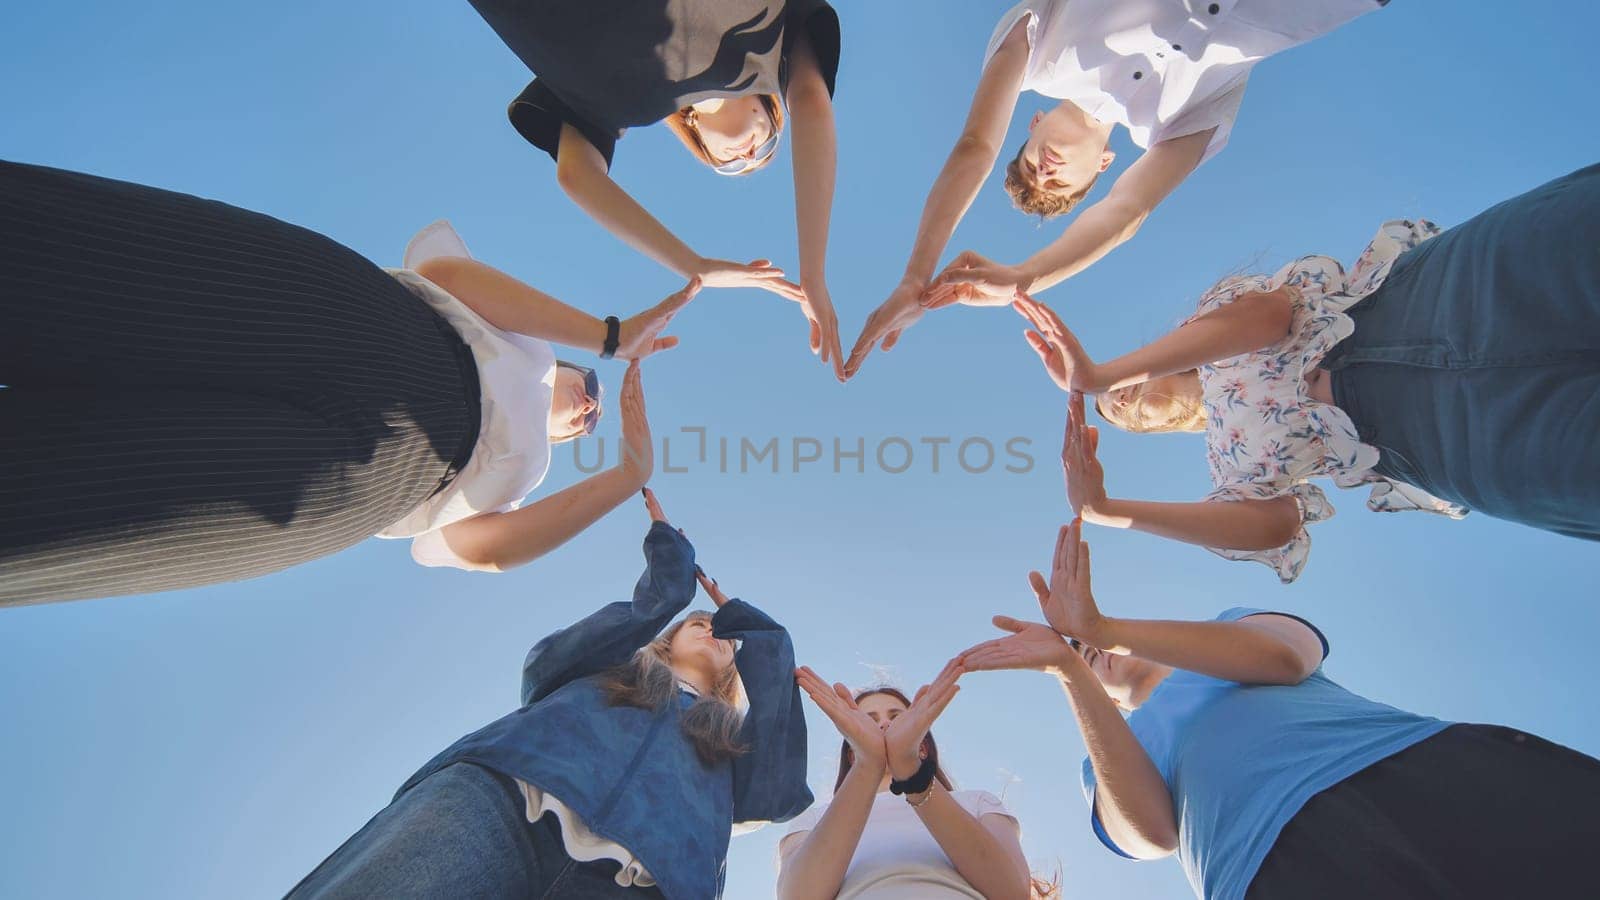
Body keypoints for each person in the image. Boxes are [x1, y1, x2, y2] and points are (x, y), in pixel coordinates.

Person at [0, 161, 692, 606]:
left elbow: (487, 551)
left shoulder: (522, 478)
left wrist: (627, 478)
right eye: (592, 387)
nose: (589, 406)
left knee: (69, 505)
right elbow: (447, 278)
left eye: (591, 421)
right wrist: (607, 335)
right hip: (362, 323)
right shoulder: (530, 347)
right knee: (77, 267)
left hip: (362, 485)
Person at [957, 519, 1600, 899]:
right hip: (1271, 872)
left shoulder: (1227, 627)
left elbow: (1284, 659)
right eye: (1077, 647)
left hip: (1410, 775)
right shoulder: (1105, 756)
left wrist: (1104, 624)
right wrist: (1071, 670)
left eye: (1085, 641)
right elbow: (1151, 834)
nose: (1085, 646)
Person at [1016, 162, 1600, 581]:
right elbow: (1272, 527)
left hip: (1434, 298)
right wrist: (1106, 512)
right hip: (1450, 440)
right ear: (1152, 430)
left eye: (1113, 394)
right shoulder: (1229, 463)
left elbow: (1273, 314)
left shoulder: (1207, 326)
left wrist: (1099, 373)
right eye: (1116, 416)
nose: (1114, 404)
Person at [287, 489, 812, 899]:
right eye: (697, 621)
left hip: (648, 882)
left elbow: (779, 793)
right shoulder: (610, 665)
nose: (709, 628)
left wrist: (754, 628)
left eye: (722, 633)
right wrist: (670, 583)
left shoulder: (731, 742)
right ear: (668, 634)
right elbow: (545, 665)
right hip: (498, 807)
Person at [846, 0, 1386, 377]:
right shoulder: (1170, 125)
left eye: (1031, 165)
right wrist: (1023, 277)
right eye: (1057, 182)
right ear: (1104, 166)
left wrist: (916, 277)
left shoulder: (1038, 50)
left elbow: (976, 147)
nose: (1045, 169)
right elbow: (1126, 212)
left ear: (1031, 125)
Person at [467, 0, 848, 378]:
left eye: (732, 166)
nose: (747, 156)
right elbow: (812, 102)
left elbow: (577, 176)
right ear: (767, 104)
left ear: (699, 140)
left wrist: (693, 266)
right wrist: (812, 273)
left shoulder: (613, 104)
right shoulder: (770, 36)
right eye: (767, 144)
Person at [778, 665, 1052, 899]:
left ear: (923, 746)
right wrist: (869, 763)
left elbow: (1013, 892)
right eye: (869, 720)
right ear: (851, 754)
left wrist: (910, 770)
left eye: (896, 717)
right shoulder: (813, 820)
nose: (884, 724)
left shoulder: (977, 802)